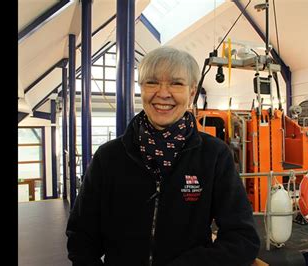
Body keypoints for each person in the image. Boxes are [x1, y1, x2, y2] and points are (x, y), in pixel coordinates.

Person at [66, 46, 260, 265]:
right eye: (152, 82)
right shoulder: (109, 157)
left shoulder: (214, 155)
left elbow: (243, 238)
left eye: (176, 83)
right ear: (141, 89)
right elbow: (81, 236)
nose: (163, 93)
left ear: (192, 92)